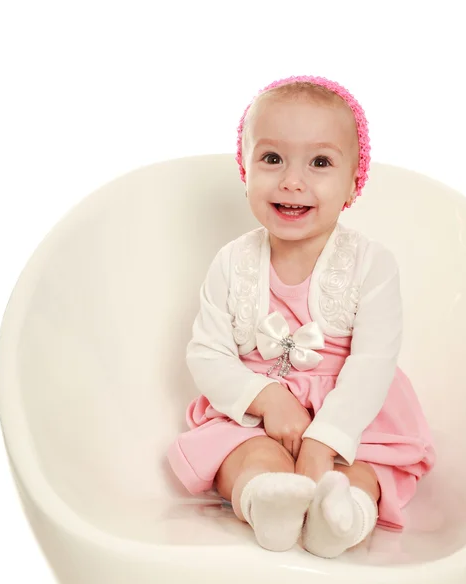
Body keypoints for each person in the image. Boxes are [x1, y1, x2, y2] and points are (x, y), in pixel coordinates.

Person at [167, 75, 435, 559]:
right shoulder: (232, 261)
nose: (292, 180)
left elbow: (373, 361)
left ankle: (342, 516)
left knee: (358, 469)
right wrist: (266, 399)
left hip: (351, 409)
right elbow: (208, 351)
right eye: (272, 159)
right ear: (245, 170)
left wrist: (326, 439)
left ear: (355, 180)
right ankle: (266, 501)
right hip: (258, 413)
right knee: (243, 456)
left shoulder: (371, 263)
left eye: (320, 162)